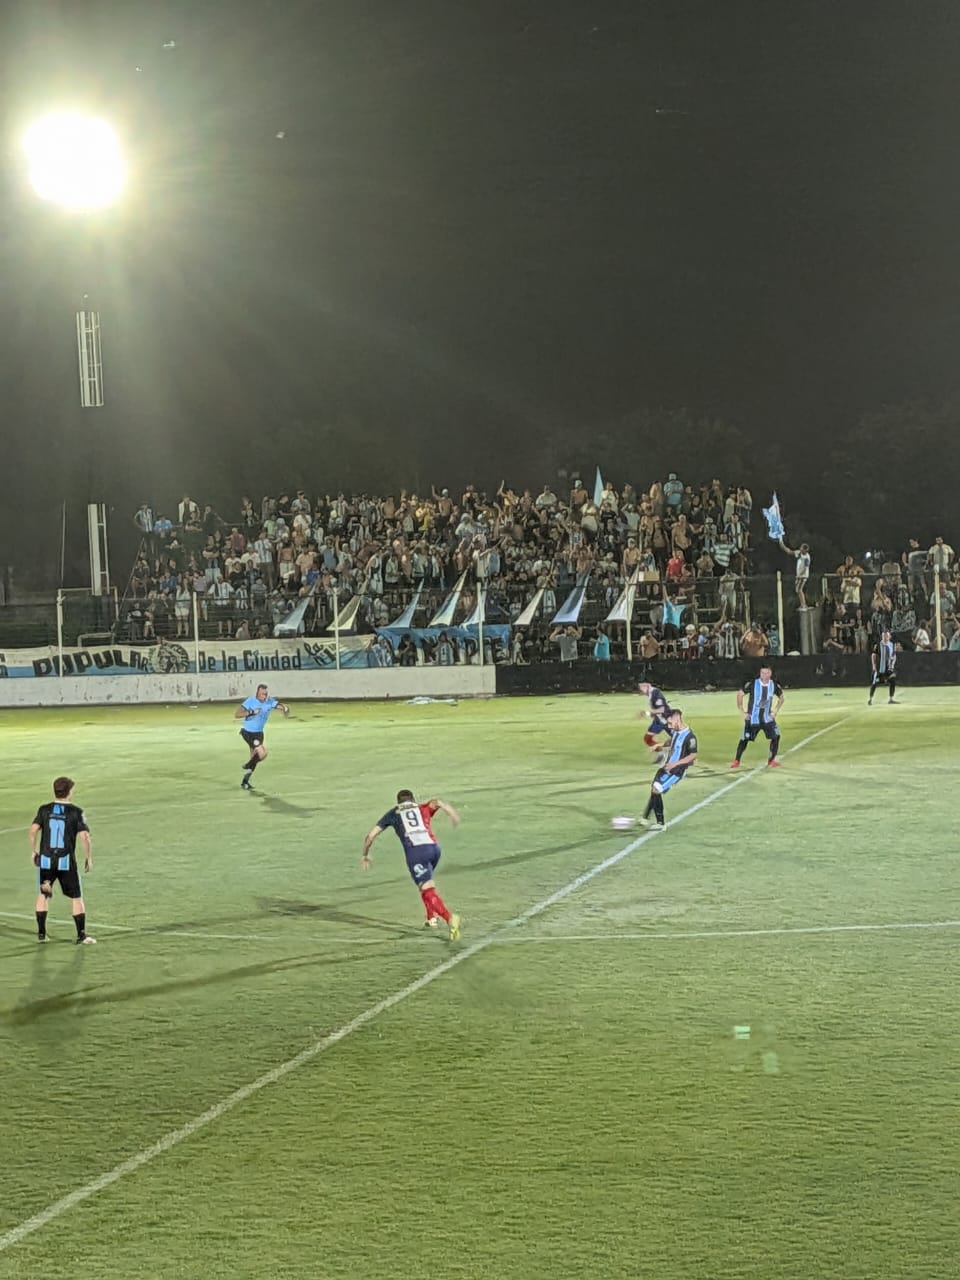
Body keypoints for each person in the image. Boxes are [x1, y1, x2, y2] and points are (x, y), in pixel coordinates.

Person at [361, 790, 462, 939]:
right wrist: (451, 813)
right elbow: (436, 802)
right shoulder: (421, 808)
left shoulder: (393, 813)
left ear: (398, 803)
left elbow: (370, 836)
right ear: (413, 800)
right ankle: (431, 918)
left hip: (416, 853)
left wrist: (365, 855)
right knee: (425, 884)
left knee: (427, 888)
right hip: (434, 849)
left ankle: (450, 919)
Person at [29, 776, 95, 944]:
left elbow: (33, 830)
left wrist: (34, 851)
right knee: (76, 897)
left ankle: (41, 934)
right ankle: (81, 935)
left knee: (43, 894)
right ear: (69, 792)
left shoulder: (44, 809)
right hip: (65, 861)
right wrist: (88, 857)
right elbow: (85, 837)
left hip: (46, 860)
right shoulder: (76, 812)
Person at [639, 708, 698, 830]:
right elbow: (672, 741)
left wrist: (676, 764)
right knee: (654, 789)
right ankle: (645, 818)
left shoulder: (690, 737)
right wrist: (659, 745)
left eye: (670, 723)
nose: (669, 726)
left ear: (677, 719)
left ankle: (660, 824)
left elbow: (693, 755)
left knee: (656, 789)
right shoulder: (676, 731)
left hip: (676, 771)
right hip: (667, 767)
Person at [234, 683, 290, 790]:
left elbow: (280, 706)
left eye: (266, 694)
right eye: (262, 694)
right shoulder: (250, 701)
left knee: (254, 757)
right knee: (262, 754)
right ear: (257, 693)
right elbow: (237, 714)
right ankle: (248, 764)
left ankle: (245, 781)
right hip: (248, 732)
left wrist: (285, 708)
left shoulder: (269, 702)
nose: (264, 696)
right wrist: (251, 712)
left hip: (259, 733)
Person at [731, 666, 784, 769]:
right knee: (745, 739)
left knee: (776, 736)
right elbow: (740, 694)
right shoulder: (753, 683)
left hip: (767, 718)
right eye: (762, 673)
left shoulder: (773, 685)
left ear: (770, 674)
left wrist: (775, 711)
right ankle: (737, 760)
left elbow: (781, 698)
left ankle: (771, 760)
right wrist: (743, 712)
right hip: (753, 718)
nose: (764, 675)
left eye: (766, 673)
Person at [636, 680, 672, 763]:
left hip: (667, 720)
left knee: (678, 739)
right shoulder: (650, 694)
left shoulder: (656, 693)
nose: (641, 692)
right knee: (647, 738)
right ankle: (661, 753)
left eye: (641, 689)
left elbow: (662, 709)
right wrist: (650, 714)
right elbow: (657, 710)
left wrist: (646, 713)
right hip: (659, 720)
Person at [868, 629, 898, 705]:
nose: (885, 637)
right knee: (875, 683)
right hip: (879, 669)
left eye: (886, 635)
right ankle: (870, 699)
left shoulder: (892, 645)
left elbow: (894, 655)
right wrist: (874, 666)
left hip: (889, 668)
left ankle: (891, 699)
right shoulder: (878, 645)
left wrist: (892, 664)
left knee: (893, 680)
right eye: (883, 635)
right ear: (881, 636)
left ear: (889, 636)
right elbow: (873, 655)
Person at [780, 538, 811, 608]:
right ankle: (803, 604)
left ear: (805, 550)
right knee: (797, 590)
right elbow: (789, 552)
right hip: (799, 575)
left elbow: (805, 568)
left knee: (799, 589)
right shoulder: (799, 552)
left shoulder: (807, 557)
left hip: (803, 576)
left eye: (802, 548)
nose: (800, 549)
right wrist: (782, 544)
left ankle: (803, 604)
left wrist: (800, 575)